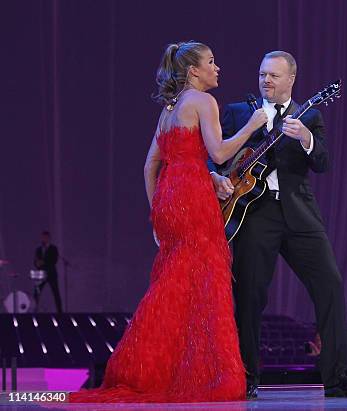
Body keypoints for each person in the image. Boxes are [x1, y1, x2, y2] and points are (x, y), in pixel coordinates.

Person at [70, 41, 268, 403]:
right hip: (193, 199)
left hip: (169, 199)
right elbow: (220, 152)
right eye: (211, 61)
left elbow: (150, 165)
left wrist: (156, 216)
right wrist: (254, 125)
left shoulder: (169, 108)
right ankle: (196, 374)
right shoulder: (203, 102)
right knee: (204, 286)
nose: (217, 67)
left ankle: (150, 368)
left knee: (173, 284)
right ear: (193, 71)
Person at [209, 51, 347, 398]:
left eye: (274, 76)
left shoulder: (309, 115)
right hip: (254, 214)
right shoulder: (239, 112)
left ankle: (336, 378)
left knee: (330, 285)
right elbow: (214, 156)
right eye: (263, 74)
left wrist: (306, 139)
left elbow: (323, 162)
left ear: (291, 79)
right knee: (249, 296)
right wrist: (215, 176)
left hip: (299, 213)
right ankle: (246, 378)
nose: (266, 80)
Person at [33, 230, 63, 313]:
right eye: (42, 237)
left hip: (51, 273)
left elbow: (54, 260)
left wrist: (43, 262)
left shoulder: (53, 248)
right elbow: (35, 260)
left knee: (56, 292)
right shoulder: (38, 249)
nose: (44, 239)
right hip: (41, 274)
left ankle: (60, 311)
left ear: (49, 238)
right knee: (36, 293)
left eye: (45, 237)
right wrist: (37, 263)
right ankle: (34, 310)